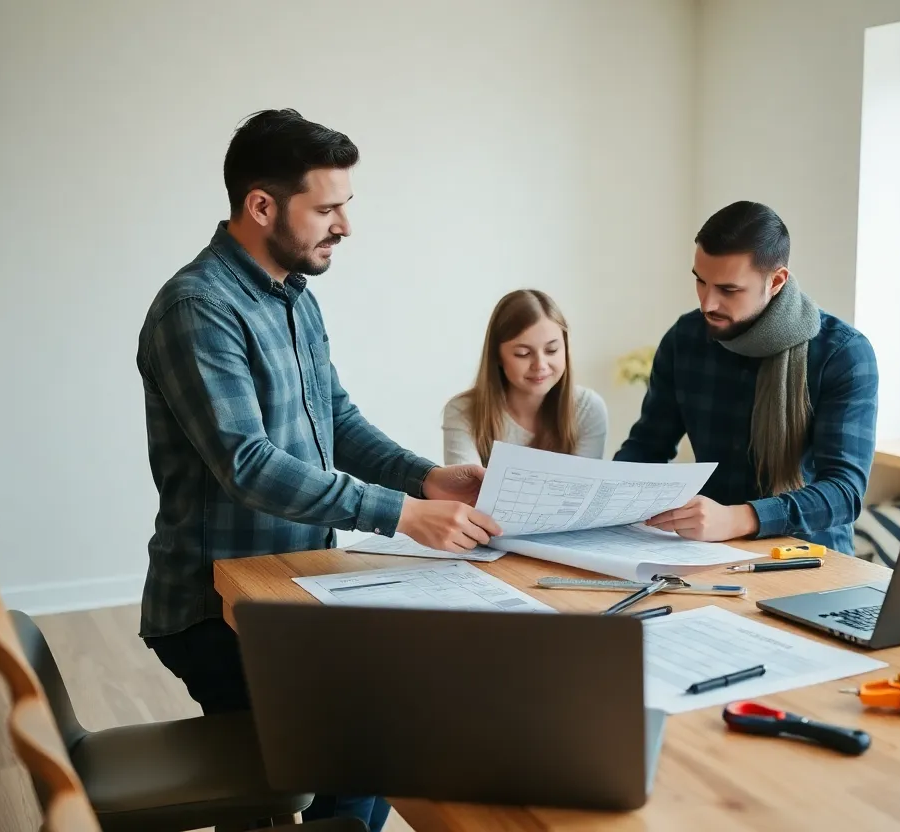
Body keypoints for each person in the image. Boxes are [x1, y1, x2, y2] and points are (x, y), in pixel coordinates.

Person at [135, 108, 501, 830]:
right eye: (327, 208)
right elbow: (248, 463)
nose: (345, 226)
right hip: (213, 609)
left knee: (373, 720)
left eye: (346, 206)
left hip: (291, 583)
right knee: (367, 732)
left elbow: (335, 419)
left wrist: (426, 479)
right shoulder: (198, 306)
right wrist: (398, 514)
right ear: (261, 205)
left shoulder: (295, 298)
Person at [615, 200, 878, 555]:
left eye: (728, 289)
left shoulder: (842, 354)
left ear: (777, 281)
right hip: (704, 553)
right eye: (700, 282)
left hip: (811, 558)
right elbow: (646, 448)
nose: (708, 303)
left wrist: (740, 519)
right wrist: (601, 502)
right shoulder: (686, 338)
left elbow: (844, 493)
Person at [442, 289, 608, 466]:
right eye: (523, 353)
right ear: (497, 356)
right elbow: (464, 490)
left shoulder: (588, 408)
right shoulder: (463, 411)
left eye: (551, 350)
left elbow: (581, 488)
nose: (540, 365)